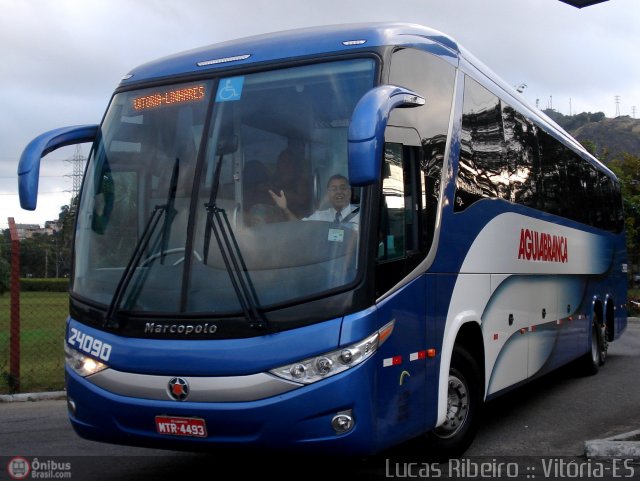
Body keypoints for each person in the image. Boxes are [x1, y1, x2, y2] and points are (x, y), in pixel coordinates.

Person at [269, 174, 359, 229]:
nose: (339, 192)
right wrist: (285, 209)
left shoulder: (361, 216)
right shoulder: (321, 216)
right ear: (328, 194)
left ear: (349, 192)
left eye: (343, 188)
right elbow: (299, 227)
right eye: (334, 189)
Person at [269, 148, 312, 219]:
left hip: (295, 217)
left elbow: (302, 199)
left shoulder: (300, 181)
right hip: (276, 215)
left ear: (293, 164)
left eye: (288, 161)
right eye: (282, 161)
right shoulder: (274, 180)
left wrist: (280, 191)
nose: (285, 164)